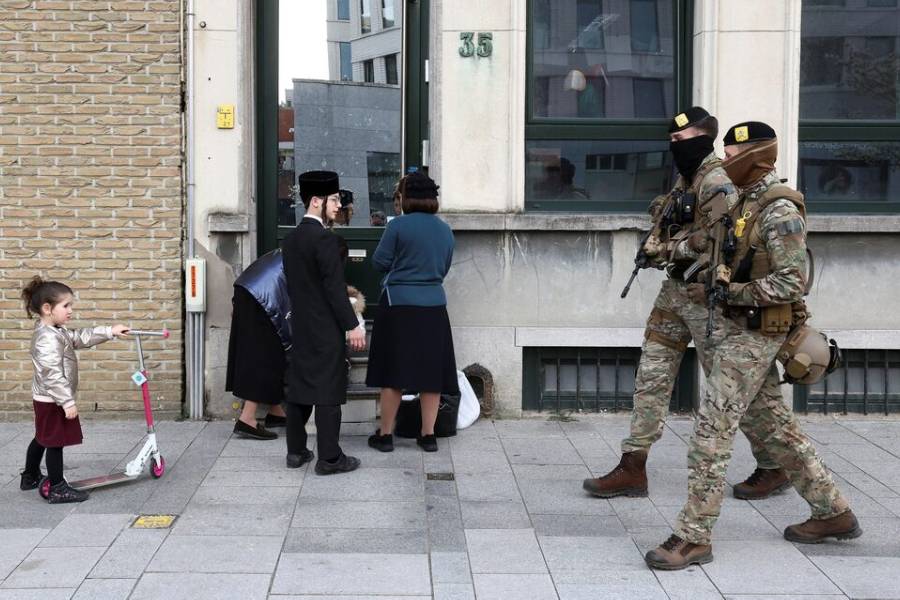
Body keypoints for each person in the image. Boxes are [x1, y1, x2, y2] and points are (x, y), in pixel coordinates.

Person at [644, 122, 860, 570]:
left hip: (757, 333)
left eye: (733, 147)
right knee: (777, 430)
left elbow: (791, 282)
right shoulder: (741, 202)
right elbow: (721, 251)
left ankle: (693, 536)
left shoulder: (779, 209)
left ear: (759, 153)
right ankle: (833, 511)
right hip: (736, 330)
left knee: (711, 433)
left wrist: (732, 293)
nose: (725, 154)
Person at [583, 107, 786, 501]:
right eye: (672, 141)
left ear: (704, 138)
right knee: (652, 378)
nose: (675, 146)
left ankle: (774, 464)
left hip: (707, 298)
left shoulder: (720, 179)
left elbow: (720, 242)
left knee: (736, 391)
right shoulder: (686, 178)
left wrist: (671, 246)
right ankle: (632, 466)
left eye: (682, 139)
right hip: (674, 294)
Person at [366, 171, 458, 453]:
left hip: (398, 304)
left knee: (394, 372)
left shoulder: (398, 227)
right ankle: (428, 435)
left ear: (406, 197)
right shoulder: (445, 230)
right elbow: (444, 267)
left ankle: (385, 435)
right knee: (432, 373)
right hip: (433, 306)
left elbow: (379, 262)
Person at [282, 170, 367, 475]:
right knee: (328, 391)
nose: (338, 205)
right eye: (333, 199)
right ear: (316, 201)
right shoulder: (326, 241)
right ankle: (330, 458)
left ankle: (296, 451)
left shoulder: (291, 240)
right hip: (326, 328)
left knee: (301, 387)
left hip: (301, 326)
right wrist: (352, 325)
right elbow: (333, 290)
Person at [19, 276, 128, 503]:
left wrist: (109, 331)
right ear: (48, 309)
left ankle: (29, 477)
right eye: (66, 306)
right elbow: (51, 374)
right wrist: (67, 401)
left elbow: (81, 337)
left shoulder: (57, 331)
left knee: (43, 437)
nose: (71, 310)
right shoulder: (46, 339)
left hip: (48, 398)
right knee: (54, 441)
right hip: (53, 399)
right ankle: (58, 487)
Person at [225, 249, 290, 441]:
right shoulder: (317, 252)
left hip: (249, 290)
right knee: (265, 356)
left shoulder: (291, 247)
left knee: (266, 352)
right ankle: (247, 419)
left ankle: (276, 412)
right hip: (261, 297)